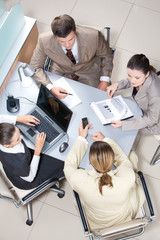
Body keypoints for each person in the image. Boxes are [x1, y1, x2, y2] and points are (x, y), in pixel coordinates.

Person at [64, 122, 145, 231]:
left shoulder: (80, 181)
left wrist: (81, 138)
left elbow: (69, 166)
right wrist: (106, 140)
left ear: (90, 162)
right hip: (124, 217)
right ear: (112, 161)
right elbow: (123, 160)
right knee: (131, 156)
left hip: (97, 223)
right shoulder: (127, 177)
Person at [30, 14, 114, 98]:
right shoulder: (44, 40)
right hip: (61, 70)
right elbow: (34, 67)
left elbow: (107, 56)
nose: (67, 45)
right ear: (54, 36)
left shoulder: (94, 36)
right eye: (62, 41)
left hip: (89, 71)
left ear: (75, 30)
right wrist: (50, 87)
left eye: (71, 39)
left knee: (94, 99)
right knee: (53, 101)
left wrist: (104, 80)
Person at [0, 115, 64, 190]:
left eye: (19, 132)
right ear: (6, 145)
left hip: (14, 170)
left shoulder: (2, 138)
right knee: (61, 161)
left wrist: (20, 119)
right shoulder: (19, 163)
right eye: (17, 139)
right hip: (28, 179)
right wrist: (37, 149)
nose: (21, 137)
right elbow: (30, 178)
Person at [107, 54, 160, 135]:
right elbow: (130, 81)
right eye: (129, 75)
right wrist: (116, 85)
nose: (132, 80)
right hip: (139, 104)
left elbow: (152, 119)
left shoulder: (155, 95)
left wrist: (124, 124)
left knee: (122, 130)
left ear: (147, 74)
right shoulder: (140, 74)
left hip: (153, 121)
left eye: (137, 78)